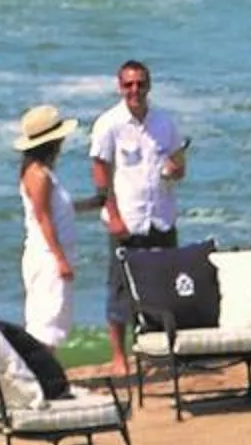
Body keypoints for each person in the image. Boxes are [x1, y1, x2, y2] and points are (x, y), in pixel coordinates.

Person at [88, 59, 188, 373]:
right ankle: (119, 357)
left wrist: (174, 170)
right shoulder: (109, 123)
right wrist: (113, 216)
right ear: (120, 87)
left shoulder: (165, 123)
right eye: (129, 84)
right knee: (119, 289)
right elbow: (101, 173)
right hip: (127, 219)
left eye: (141, 84)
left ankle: (157, 352)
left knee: (162, 289)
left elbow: (178, 163)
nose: (135, 90)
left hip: (161, 215)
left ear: (149, 85)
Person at [14, 104, 77, 351]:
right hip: (48, 256)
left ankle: (40, 374)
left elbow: (50, 211)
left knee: (49, 318)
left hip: (46, 254)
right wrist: (61, 259)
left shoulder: (39, 172)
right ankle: (41, 376)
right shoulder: (39, 175)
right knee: (47, 324)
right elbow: (43, 218)